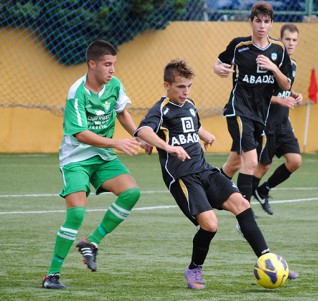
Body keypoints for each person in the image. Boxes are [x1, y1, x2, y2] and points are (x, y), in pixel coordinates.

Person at [134, 58, 298, 289]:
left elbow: (193, 124)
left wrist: (205, 134)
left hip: (204, 170)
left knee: (242, 204)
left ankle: (268, 260)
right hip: (182, 177)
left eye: (188, 86)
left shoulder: (189, 104)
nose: (185, 91)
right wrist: (167, 147)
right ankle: (194, 269)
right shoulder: (161, 109)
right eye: (180, 87)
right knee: (210, 225)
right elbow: (142, 130)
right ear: (166, 86)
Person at [42, 40, 152, 289]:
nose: (112, 70)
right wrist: (115, 143)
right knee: (77, 213)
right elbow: (80, 134)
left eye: (114, 64)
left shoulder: (114, 85)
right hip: (77, 159)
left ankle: (91, 242)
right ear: (92, 64)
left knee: (131, 193)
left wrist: (138, 136)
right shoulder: (77, 92)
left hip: (102, 158)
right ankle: (52, 275)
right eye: (107, 64)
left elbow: (122, 112)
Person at [213, 2, 292, 206]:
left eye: (266, 21)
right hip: (238, 111)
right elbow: (219, 62)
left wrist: (274, 68)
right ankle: (244, 214)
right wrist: (218, 69)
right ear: (250, 22)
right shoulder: (239, 46)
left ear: (272, 24)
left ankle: (210, 191)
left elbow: (286, 85)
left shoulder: (279, 50)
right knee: (251, 163)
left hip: (260, 115)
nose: (262, 26)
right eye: (258, 21)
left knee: (234, 163)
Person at [252, 24, 303, 215]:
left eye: (294, 40)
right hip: (267, 124)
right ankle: (243, 209)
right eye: (287, 39)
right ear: (280, 40)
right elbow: (259, 93)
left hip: (283, 124)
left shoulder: (294, 65)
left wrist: (295, 94)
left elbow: (285, 88)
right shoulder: (269, 63)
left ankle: (263, 190)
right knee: (261, 166)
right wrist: (280, 100)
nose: (291, 43)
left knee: (295, 161)